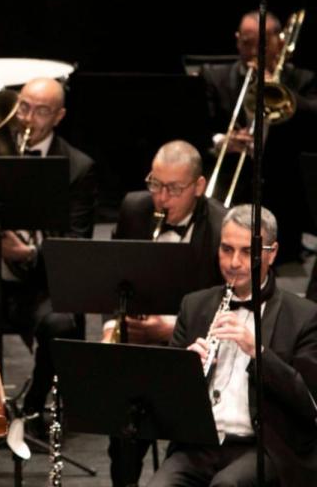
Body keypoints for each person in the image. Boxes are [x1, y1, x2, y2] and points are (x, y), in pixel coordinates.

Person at [148, 205, 317, 487]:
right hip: (199, 445)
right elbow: (166, 400)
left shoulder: (303, 315)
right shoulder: (194, 306)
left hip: (263, 447)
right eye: (226, 249)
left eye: (246, 251)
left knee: (227, 485)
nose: (234, 262)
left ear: (272, 253)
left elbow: (308, 402)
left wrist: (258, 353)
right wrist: (186, 371)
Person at [0, 77, 96, 423]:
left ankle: (34, 407)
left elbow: (76, 245)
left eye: (41, 111)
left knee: (61, 324)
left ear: (59, 116)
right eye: (23, 107)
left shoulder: (78, 167)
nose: (27, 118)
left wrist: (27, 254)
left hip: (38, 284)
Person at [105, 140, 226, 486]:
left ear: (199, 186)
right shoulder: (134, 208)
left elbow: (226, 305)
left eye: (173, 189)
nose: (161, 198)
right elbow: (112, 275)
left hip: (195, 353)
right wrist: (114, 324)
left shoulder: (220, 227)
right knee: (123, 428)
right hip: (140, 346)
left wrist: (170, 330)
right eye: (155, 184)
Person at [200, 10, 317, 263]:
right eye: (247, 43)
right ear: (237, 40)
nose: (254, 51)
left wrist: (278, 87)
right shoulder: (213, 76)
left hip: (284, 197)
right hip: (230, 190)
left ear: (280, 42)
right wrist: (222, 141)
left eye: (262, 44)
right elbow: (199, 128)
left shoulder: (303, 79)